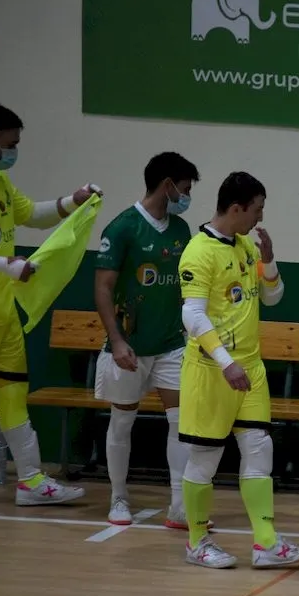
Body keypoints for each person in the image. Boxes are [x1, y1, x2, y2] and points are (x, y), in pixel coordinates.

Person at [176, 171, 299, 569]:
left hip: (250, 368)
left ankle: (266, 543)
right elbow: (193, 316)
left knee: (259, 449)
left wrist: (268, 261)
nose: (260, 217)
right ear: (236, 208)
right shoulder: (198, 252)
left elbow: (272, 297)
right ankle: (198, 542)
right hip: (211, 371)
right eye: (257, 209)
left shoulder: (245, 247)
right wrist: (225, 362)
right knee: (204, 458)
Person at [0, 102, 100, 506]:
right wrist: (6, 266)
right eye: (10, 142)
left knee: (14, 391)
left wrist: (75, 200)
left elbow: (32, 215)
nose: (15, 149)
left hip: (3, 314)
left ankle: (31, 482)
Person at [93, 152, 200, 528]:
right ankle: (118, 497)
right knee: (122, 423)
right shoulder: (122, 228)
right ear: (167, 185)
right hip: (130, 347)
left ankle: (179, 505)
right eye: (185, 189)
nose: (187, 196)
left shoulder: (182, 230)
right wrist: (117, 340)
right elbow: (103, 289)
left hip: (172, 342)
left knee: (181, 422)